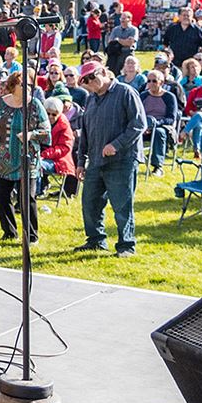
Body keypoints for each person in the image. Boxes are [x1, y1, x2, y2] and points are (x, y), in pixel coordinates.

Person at [76, 61, 145, 257]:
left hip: (122, 160)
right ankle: (96, 240)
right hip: (96, 159)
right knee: (90, 203)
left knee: (122, 205)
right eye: (85, 80)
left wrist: (116, 144)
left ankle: (126, 245)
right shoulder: (90, 100)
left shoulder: (125, 92)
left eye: (92, 77)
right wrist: (81, 162)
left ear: (104, 72)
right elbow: (86, 133)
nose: (90, 82)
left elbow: (139, 124)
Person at [0, 71, 51, 241]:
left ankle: (31, 235)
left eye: (30, 84)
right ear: (13, 86)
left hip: (27, 158)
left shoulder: (36, 105)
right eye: (23, 84)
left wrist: (31, 135)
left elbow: (47, 132)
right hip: (3, 159)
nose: (27, 87)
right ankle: (9, 232)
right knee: (2, 198)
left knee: (26, 199)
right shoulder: (2, 102)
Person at [139, 71, 179, 174]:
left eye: (154, 81)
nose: (151, 83)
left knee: (159, 132)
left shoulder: (169, 97)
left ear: (161, 83)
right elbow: (137, 114)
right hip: (144, 126)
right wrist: (143, 126)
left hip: (162, 127)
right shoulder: (143, 96)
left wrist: (154, 124)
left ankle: (157, 166)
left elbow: (171, 118)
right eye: (149, 81)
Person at [41, 96, 77, 194]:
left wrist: (44, 154)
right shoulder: (41, 122)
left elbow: (64, 148)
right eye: (48, 113)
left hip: (59, 160)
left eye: (54, 114)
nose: (50, 116)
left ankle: (35, 192)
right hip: (41, 155)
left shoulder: (64, 126)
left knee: (35, 166)